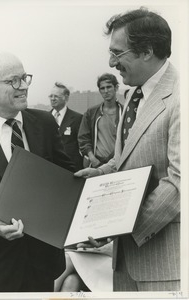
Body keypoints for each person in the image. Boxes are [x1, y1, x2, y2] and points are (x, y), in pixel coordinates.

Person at [75, 8, 180, 291]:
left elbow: (179, 183)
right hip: (124, 267)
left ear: (147, 51)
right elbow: (125, 159)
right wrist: (99, 172)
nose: (111, 63)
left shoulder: (181, 98)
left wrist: (115, 226)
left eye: (117, 53)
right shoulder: (134, 94)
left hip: (164, 265)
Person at [0, 51, 75, 292]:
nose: (23, 86)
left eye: (25, 78)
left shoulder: (44, 123)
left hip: (42, 266)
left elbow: (67, 181)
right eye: (14, 80)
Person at [78, 73, 123, 168]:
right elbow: (83, 138)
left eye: (109, 87)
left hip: (117, 163)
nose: (106, 91)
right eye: (102, 88)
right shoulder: (91, 113)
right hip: (96, 162)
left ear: (116, 88)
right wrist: (92, 158)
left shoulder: (125, 112)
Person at [49, 82, 83, 171]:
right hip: (50, 167)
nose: (52, 99)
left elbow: (82, 144)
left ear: (66, 97)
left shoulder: (77, 118)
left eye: (56, 96)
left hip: (71, 168)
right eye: (51, 96)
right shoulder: (44, 118)